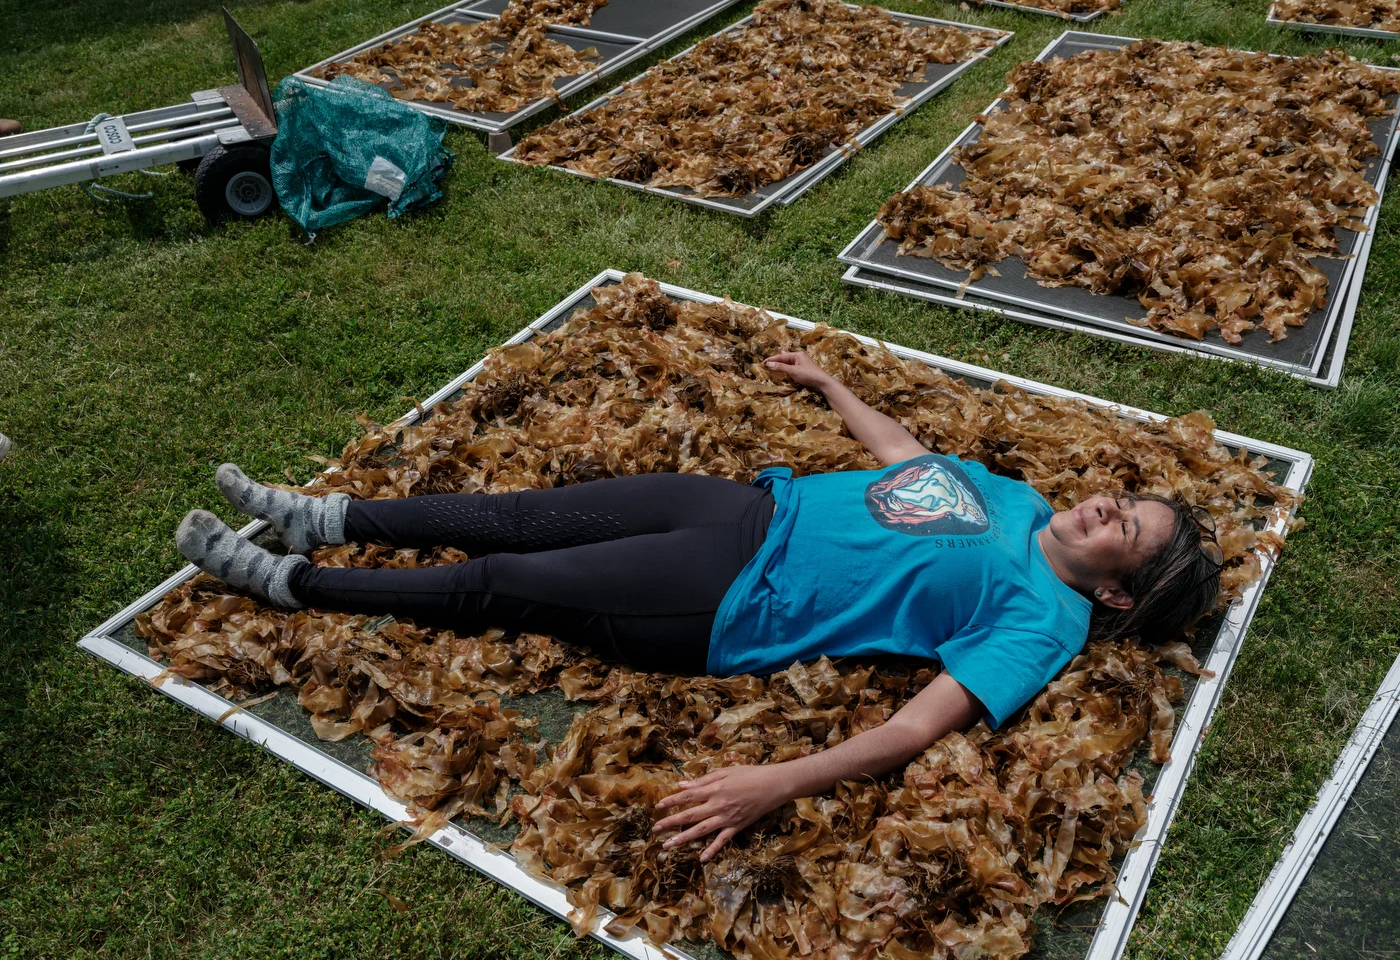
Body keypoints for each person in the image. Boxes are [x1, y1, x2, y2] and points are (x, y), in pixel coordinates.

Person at [176, 350, 1223, 859]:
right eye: (1123, 500)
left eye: (1121, 530)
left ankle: (289, 582)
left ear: (1114, 588)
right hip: (739, 510)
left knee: (506, 586)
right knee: (517, 516)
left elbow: (916, 726)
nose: (1105, 505)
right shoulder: (1025, 501)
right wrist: (833, 387)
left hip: (725, 601)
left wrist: (779, 780)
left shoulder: (1043, 622)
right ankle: (320, 516)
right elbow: (910, 461)